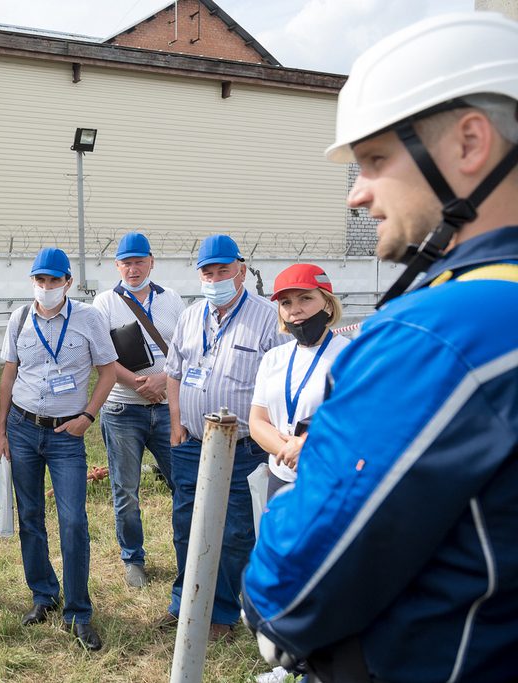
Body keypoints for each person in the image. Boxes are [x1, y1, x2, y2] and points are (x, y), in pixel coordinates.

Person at [242, 13, 518, 682]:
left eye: (374, 160)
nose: (359, 193)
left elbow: (290, 584)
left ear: (470, 142)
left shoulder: (439, 332)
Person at [156, 234, 284, 640]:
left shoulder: (267, 317)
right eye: (207, 272)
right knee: (185, 524)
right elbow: (174, 373)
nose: (214, 279)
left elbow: (279, 382)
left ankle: (223, 613)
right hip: (192, 443)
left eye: (222, 271)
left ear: (241, 271)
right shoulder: (191, 316)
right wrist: (176, 422)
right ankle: (185, 602)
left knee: (234, 532)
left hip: (243, 447)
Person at [0, 247, 118, 651]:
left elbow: (108, 370)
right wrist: (1, 431)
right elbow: (9, 376)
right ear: (33, 281)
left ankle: (79, 611)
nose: (46, 288)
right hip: (24, 429)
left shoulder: (88, 319)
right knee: (30, 516)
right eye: (39, 281)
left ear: (67, 282)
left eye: (53, 281)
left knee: (73, 522)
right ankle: (43, 595)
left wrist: (88, 415)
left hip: (68, 436)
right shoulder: (18, 318)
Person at [92, 232, 184, 587]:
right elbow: (101, 356)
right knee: (126, 490)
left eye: (139, 261)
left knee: (182, 483)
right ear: (117, 266)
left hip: (167, 408)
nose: (133, 268)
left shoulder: (171, 299)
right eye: (126, 263)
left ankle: (186, 552)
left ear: (151, 262)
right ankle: (133, 558)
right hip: (122, 411)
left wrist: (163, 379)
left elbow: (184, 348)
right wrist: (137, 384)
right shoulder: (104, 304)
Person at [248, 264, 350, 500]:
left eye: (305, 298)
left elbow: (355, 423)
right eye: (286, 303)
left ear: (327, 302)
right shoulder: (275, 357)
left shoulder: (349, 355)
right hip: (280, 477)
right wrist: (289, 450)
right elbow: (257, 422)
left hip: (328, 480)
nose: (295, 310)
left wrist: (307, 448)